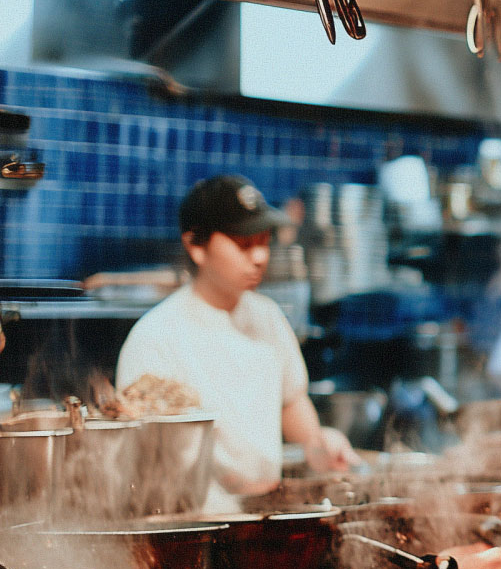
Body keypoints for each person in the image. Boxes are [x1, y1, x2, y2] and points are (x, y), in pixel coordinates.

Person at [116, 175, 357, 513]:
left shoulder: (268, 317)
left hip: (267, 516)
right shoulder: (156, 337)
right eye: (244, 244)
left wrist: (318, 443)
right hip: (195, 526)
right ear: (196, 246)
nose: (259, 257)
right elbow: (141, 460)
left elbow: (291, 401)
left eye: (263, 241)